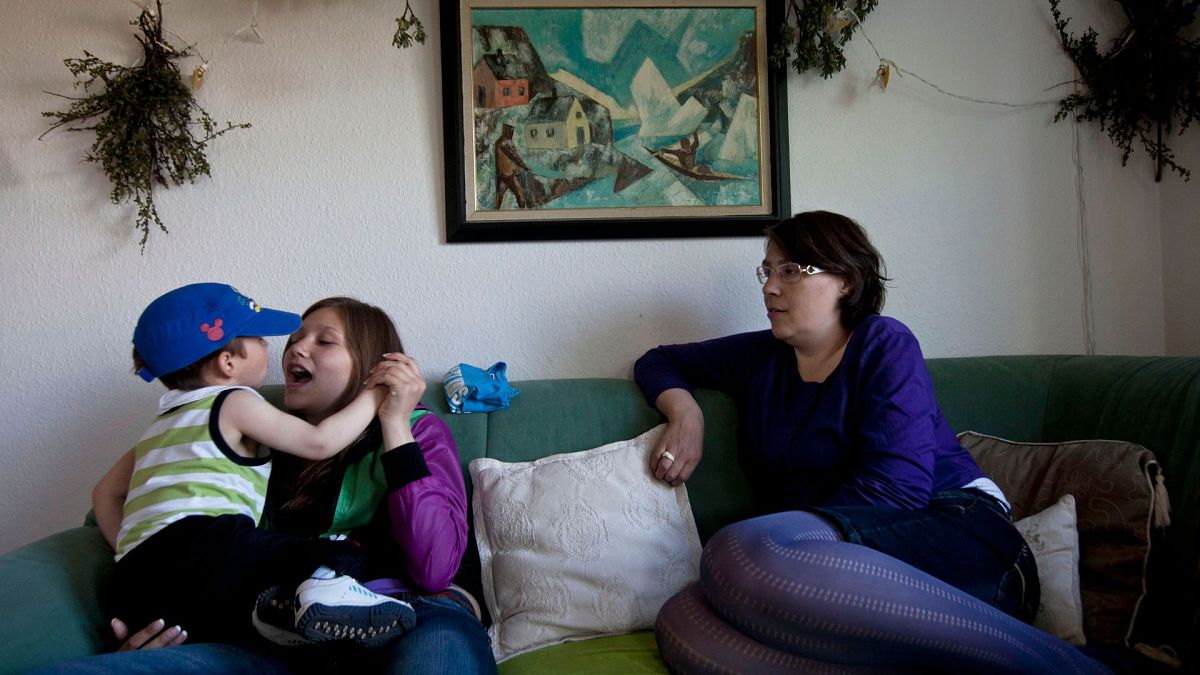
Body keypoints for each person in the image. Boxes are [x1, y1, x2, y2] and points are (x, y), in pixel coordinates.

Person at [634, 211, 1110, 673]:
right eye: (768, 270)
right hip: (838, 561)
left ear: (845, 280)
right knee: (682, 619)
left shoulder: (884, 342)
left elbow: (897, 491)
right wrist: (686, 413)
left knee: (737, 548)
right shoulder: (761, 355)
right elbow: (659, 361)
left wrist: (786, 547)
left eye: (791, 270)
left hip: (958, 538)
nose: (769, 286)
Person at [38, 296, 495, 674]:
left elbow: (433, 569)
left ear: (372, 365)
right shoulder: (249, 433)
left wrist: (394, 422)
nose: (295, 349)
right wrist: (155, 628)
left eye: (323, 341)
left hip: (415, 610)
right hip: (278, 629)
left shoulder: (416, 429)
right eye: (293, 339)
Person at [93, 283, 413, 650]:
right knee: (331, 554)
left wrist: (132, 548)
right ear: (228, 362)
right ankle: (323, 593)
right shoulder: (235, 402)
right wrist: (376, 393)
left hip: (132, 584)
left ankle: (274, 617)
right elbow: (319, 442)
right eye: (259, 339)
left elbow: (105, 492)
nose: (274, 347)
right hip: (202, 545)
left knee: (238, 592)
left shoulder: (160, 425)